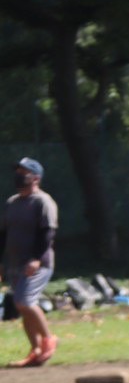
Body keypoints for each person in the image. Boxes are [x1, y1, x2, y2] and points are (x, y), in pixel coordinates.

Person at [3, 157, 59, 368]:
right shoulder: (12, 202)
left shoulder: (43, 201)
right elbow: (3, 234)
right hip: (15, 263)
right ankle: (36, 351)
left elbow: (47, 233)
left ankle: (48, 339)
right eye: (17, 171)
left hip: (37, 263)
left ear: (36, 178)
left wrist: (36, 258)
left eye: (23, 172)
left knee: (24, 301)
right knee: (24, 307)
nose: (18, 175)